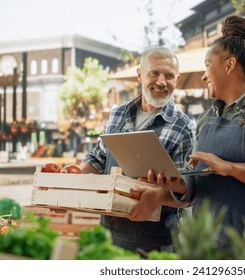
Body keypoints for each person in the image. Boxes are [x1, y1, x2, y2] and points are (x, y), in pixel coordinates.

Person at [141, 15, 245, 244]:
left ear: (229, 65)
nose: (203, 75)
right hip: (206, 247)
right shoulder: (207, 119)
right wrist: (176, 184)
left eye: (207, 65)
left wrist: (230, 168)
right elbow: (198, 185)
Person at [79, 46, 195, 253]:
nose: (161, 81)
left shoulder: (184, 127)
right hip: (108, 232)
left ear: (176, 81)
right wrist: (67, 184)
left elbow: (188, 192)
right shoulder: (118, 114)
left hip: (157, 243)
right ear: (140, 75)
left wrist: (159, 195)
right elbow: (97, 159)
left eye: (169, 75)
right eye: (154, 73)